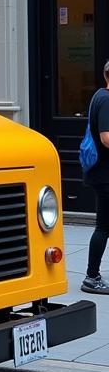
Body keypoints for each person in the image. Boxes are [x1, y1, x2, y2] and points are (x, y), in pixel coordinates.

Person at [82, 62, 109, 294]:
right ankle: (91, 277)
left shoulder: (99, 95)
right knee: (103, 227)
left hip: (100, 172)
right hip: (104, 174)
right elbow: (106, 138)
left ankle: (93, 274)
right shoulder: (107, 100)